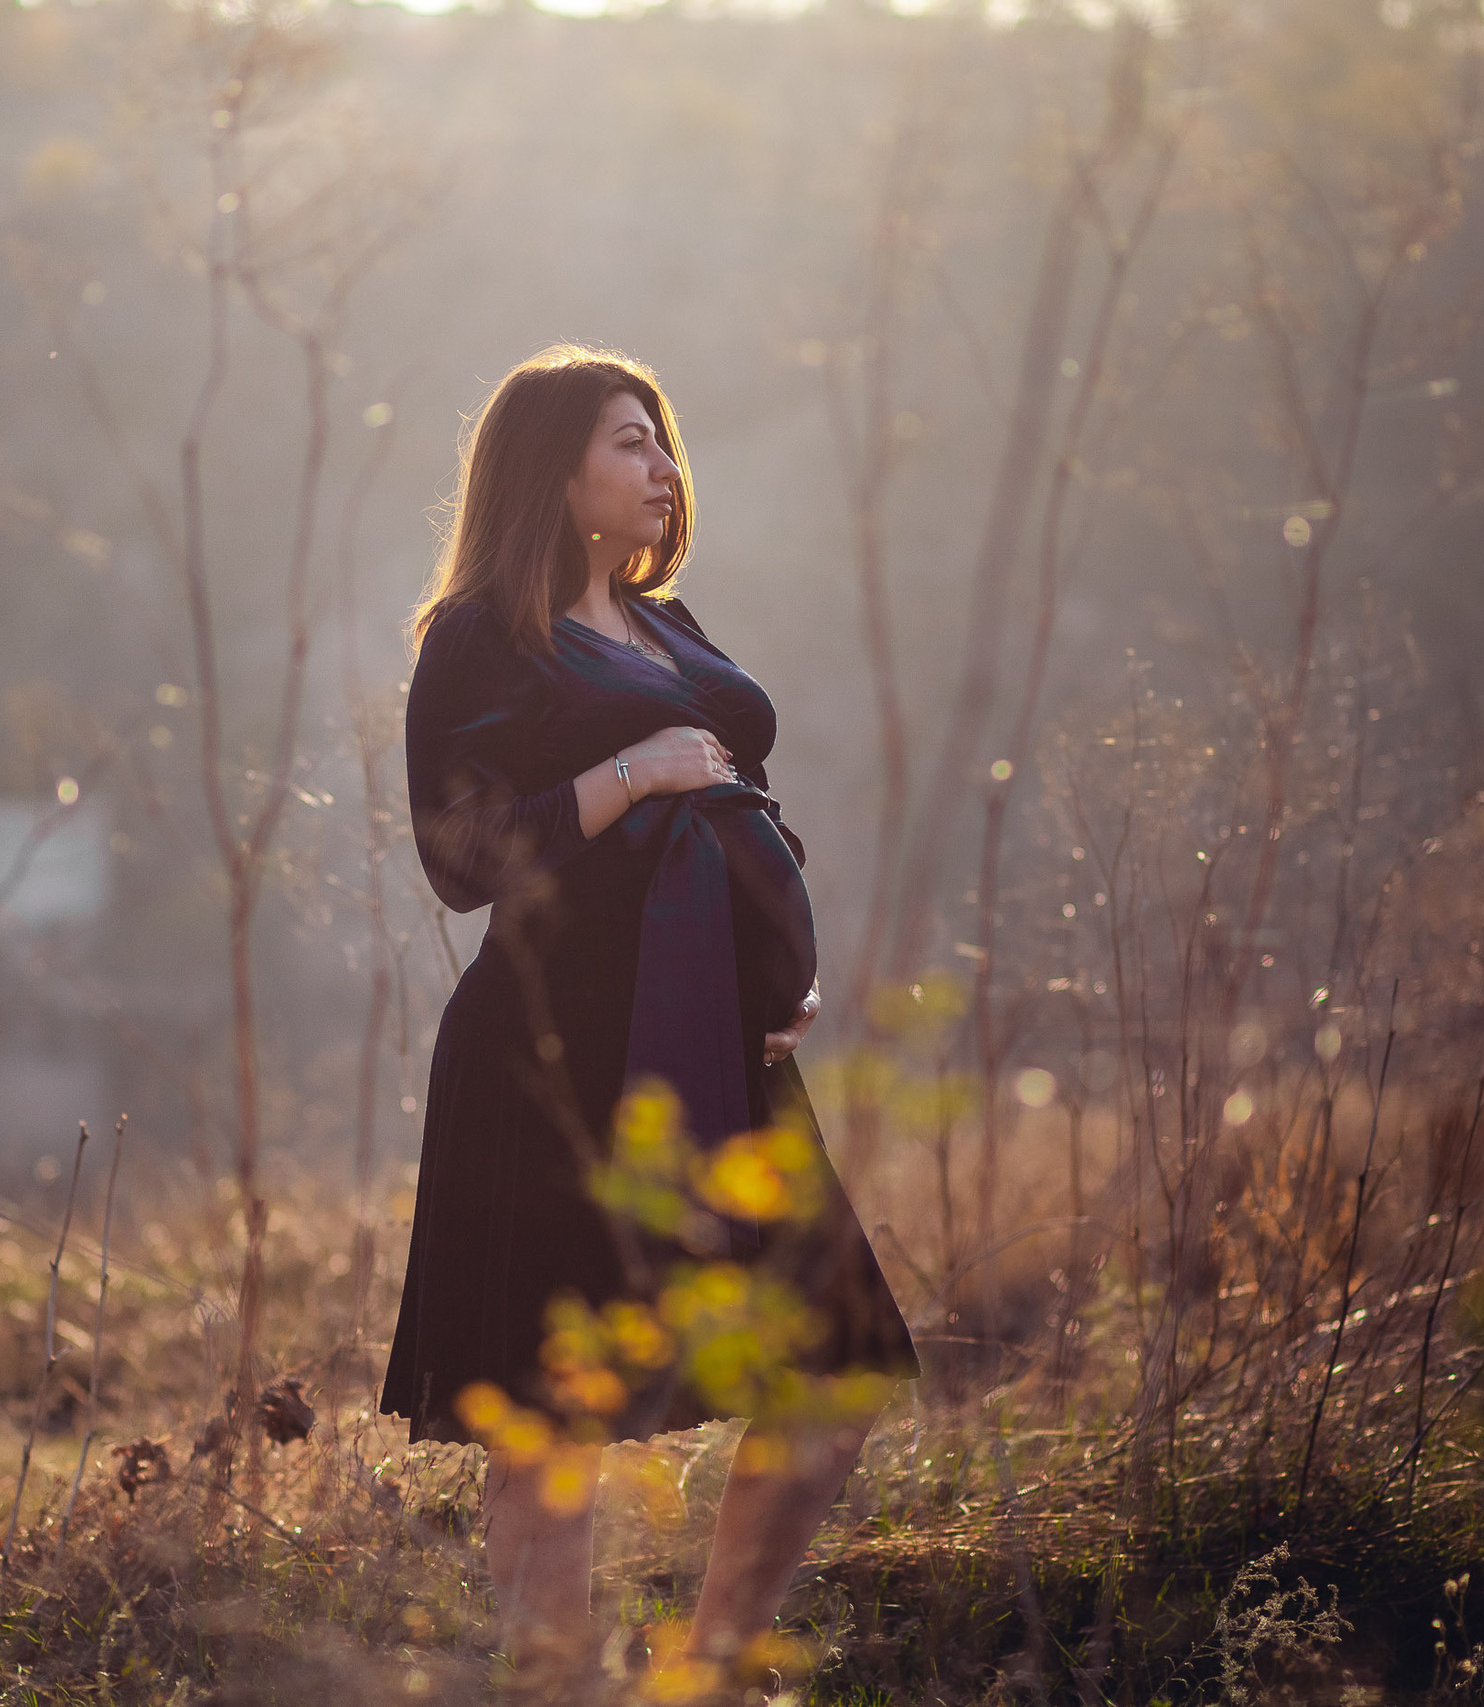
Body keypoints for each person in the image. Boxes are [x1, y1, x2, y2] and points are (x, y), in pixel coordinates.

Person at [378, 344, 918, 1692]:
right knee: (551, 1417)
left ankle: (709, 1670)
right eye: (632, 442)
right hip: (551, 1058)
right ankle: (560, 1683)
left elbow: (734, 806)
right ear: (552, 477)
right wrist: (632, 770)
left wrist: (772, 972)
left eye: (665, 441)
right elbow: (463, 862)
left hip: (717, 1049)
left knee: (830, 1368)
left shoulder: (669, 627)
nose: (665, 469)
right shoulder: (475, 641)